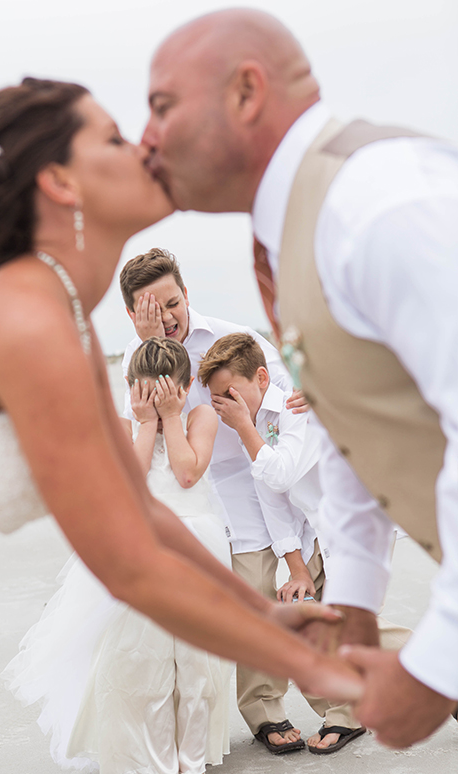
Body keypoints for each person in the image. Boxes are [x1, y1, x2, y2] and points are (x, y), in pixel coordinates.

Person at [0, 77, 362, 773]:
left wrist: (263, 615)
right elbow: (131, 561)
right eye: (113, 137)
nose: (143, 143)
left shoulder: (65, 315)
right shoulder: (30, 321)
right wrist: (303, 660)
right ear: (60, 182)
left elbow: (143, 509)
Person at [141, 8, 458, 747]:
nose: (145, 138)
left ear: (246, 93)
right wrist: (353, 605)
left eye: (161, 106)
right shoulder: (298, 230)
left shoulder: (379, 207)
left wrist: (436, 667)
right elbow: (346, 432)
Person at [118, 251, 325, 752]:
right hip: (204, 500)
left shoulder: (235, 338)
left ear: (186, 295)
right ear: (132, 314)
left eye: (172, 303)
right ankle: (263, 713)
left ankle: (341, 702)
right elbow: (149, 432)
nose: (167, 318)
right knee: (242, 606)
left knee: (304, 597)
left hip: (267, 483)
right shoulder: (134, 357)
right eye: (152, 310)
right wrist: (153, 348)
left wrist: (309, 395)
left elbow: (280, 392)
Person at [8, 337, 233, 773]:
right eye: (146, 391)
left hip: (197, 551)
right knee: (138, 657)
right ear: (131, 387)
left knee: (196, 661)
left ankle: (190, 757)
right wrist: (145, 421)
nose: (156, 399)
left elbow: (187, 472)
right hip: (140, 550)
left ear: (185, 388)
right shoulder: (123, 423)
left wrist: (171, 416)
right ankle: (145, 756)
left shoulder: (200, 417)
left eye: (167, 391)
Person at [199, 331, 407, 753]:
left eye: (229, 394)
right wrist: (294, 567)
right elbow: (272, 502)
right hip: (323, 535)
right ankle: (355, 712)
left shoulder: (295, 409)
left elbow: (282, 474)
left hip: (362, 524)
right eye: (217, 399)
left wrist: (242, 428)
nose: (223, 407)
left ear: (261, 377)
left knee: (352, 629)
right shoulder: (257, 425)